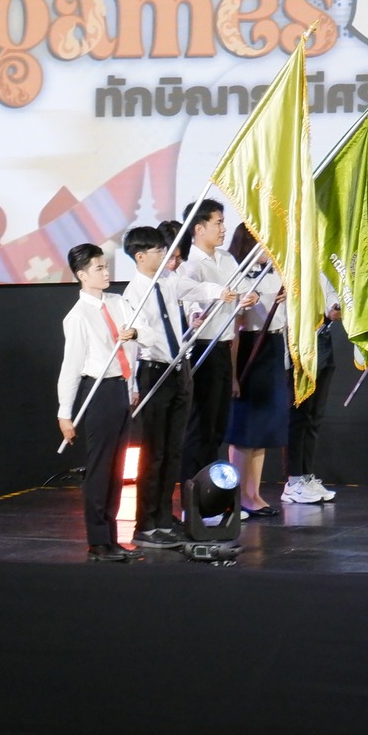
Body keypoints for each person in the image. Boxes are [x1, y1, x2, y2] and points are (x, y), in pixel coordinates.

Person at [121, 225, 236, 550]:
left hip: (179, 371)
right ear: (140, 256)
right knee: (153, 453)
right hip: (155, 372)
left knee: (173, 450)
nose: (164, 255)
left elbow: (195, 289)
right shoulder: (133, 293)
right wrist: (134, 384)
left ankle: (163, 516)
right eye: (158, 251)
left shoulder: (169, 280)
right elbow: (139, 336)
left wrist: (219, 292)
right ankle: (145, 524)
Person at [55, 243, 141, 563]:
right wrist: (65, 414)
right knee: (101, 467)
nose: (106, 273)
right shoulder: (77, 317)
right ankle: (97, 541)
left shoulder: (118, 303)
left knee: (118, 468)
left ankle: (113, 537)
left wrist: (134, 334)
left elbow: (137, 339)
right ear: (82, 275)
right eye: (99, 268)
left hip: (121, 388)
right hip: (99, 391)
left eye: (106, 266)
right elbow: (71, 367)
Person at [225, 226, 288, 518]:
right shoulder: (239, 276)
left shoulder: (274, 272)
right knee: (245, 428)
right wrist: (233, 375)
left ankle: (254, 493)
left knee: (263, 429)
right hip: (251, 346)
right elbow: (235, 328)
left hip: (273, 346)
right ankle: (237, 495)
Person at [176, 200, 239, 479]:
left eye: (223, 222)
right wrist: (195, 314)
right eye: (218, 223)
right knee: (201, 423)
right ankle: (194, 488)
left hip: (224, 345)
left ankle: (210, 487)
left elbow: (242, 289)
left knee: (217, 424)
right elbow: (190, 297)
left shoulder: (226, 259)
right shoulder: (189, 263)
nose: (223, 229)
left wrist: (250, 296)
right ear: (199, 229)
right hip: (203, 347)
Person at [281, 299, 341, 506]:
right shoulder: (296, 276)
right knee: (300, 414)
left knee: (315, 416)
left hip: (323, 341)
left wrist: (333, 309)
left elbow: (331, 297)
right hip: (300, 342)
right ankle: (293, 481)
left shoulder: (326, 275)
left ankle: (306, 477)